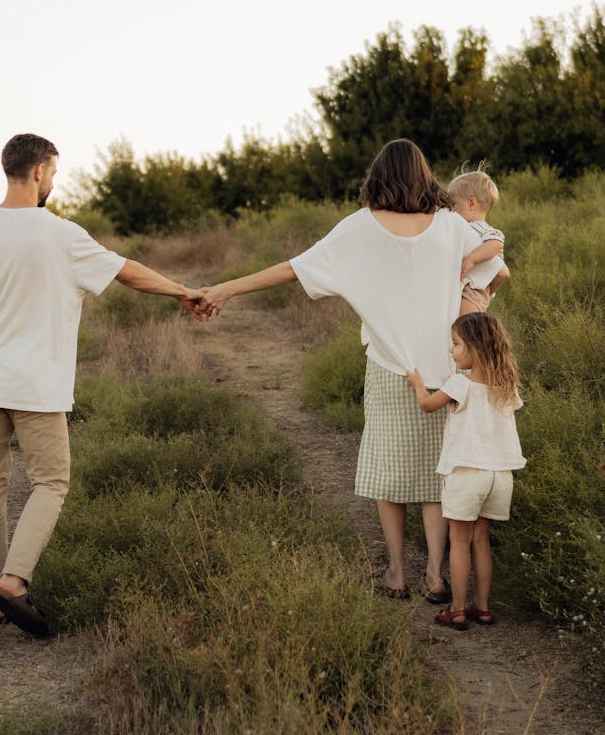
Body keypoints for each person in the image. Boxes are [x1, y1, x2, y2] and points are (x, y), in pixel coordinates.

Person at [0, 133, 205, 636]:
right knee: (51, 482)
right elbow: (126, 272)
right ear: (40, 171)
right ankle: (13, 581)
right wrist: (181, 291)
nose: (53, 182)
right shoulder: (60, 234)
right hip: (35, 385)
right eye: (54, 173)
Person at [199, 138, 482, 601]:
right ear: (425, 175)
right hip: (448, 368)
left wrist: (226, 290)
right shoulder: (453, 226)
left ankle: (396, 571)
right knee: (436, 476)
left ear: (378, 177)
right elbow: (491, 260)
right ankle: (435, 573)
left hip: (392, 367)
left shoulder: (359, 229)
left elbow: (292, 269)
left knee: (389, 474)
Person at [406, 312, 525, 629]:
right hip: (499, 474)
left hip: (467, 472)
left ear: (474, 346)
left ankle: (457, 609)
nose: (451, 350)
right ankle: (482, 608)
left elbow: (429, 405)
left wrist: (418, 385)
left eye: (456, 344)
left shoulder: (461, 383)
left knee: (458, 542)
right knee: (481, 540)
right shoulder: (506, 385)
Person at [448, 167, 509, 314]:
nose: (450, 210)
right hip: (469, 285)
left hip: (475, 290)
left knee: (464, 326)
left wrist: (472, 259)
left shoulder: (479, 227)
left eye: (453, 204)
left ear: (471, 204)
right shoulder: (465, 227)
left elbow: (496, 243)